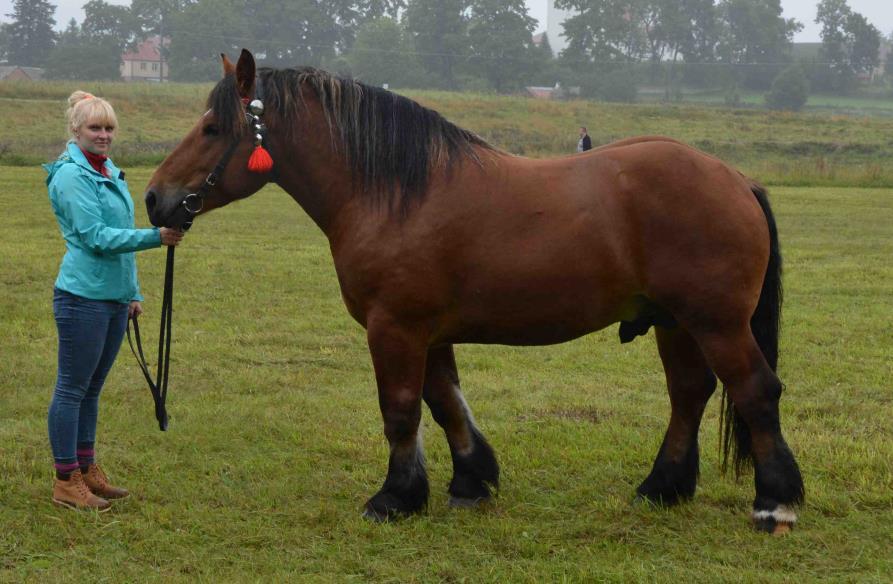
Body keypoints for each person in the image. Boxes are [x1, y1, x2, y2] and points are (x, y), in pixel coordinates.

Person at [43, 91, 183, 511]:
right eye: (95, 128)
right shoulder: (72, 176)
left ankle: (86, 470)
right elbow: (96, 238)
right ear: (76, 129)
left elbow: (118, 232)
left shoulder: (106, 170)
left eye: (108, 128)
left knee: (91, 390)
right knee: (72, 389)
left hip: (111, 298)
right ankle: (66, 479)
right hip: (82, 298)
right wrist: (154, 237)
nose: (103, 135)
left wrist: (132, 293)